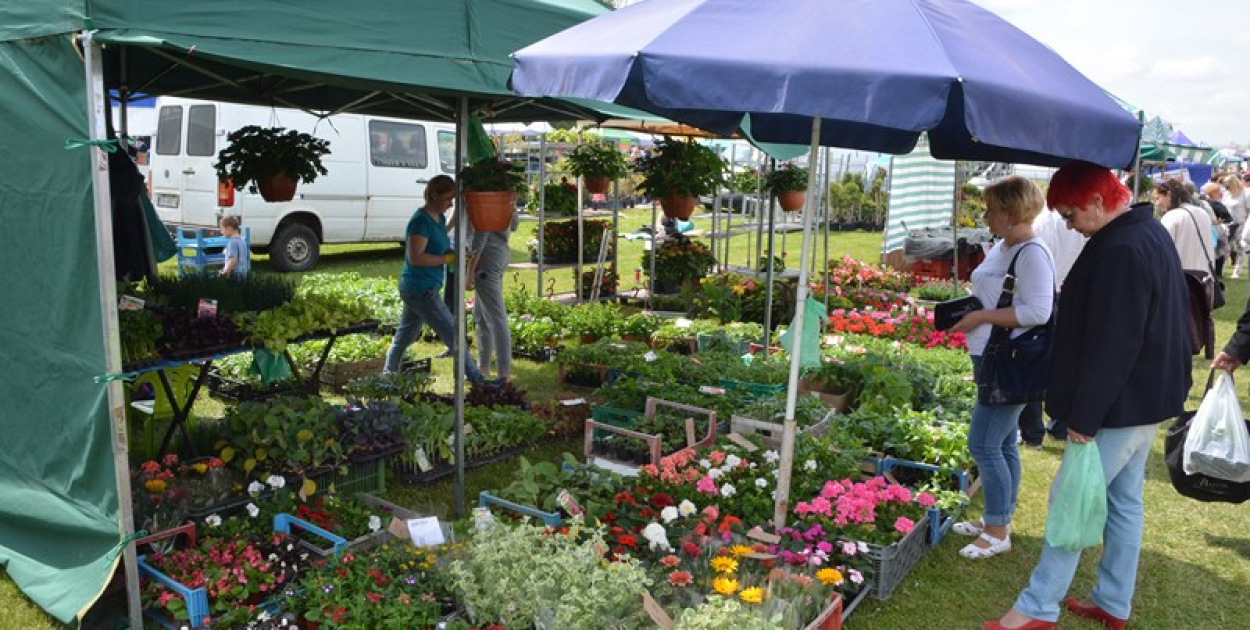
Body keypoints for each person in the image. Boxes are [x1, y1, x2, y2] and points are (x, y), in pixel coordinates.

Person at [983, 162, 1191, 630]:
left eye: (1072, 215)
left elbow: (1115, 344)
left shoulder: (1122, 247)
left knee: (1070, 500)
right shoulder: (1145, 232)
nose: (1070, 225)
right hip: (1143, 402)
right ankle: (1113, 601)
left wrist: (1086, 416)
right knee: (1123, 503)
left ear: (1098, 202)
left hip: (1118, 406)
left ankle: (1037, 608)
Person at [949, 176, 1055, 560]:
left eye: (992, 208)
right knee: (1005, 442)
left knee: (983, 443)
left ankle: (996, 530)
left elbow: (1038, 312)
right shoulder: (1006, 246)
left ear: (1010, 212)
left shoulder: (1031, 253)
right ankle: (1000, 518)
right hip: (992, 355)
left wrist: (981, 317)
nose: (986, 214)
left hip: (1010, 361)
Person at [383, 175, 495, 384]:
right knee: (454, 335)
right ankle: (477, 380)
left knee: (405, 336)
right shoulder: (420, 221)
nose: (451, 203)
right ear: (434, 195)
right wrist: (449, 258)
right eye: (448, 199)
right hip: (420, 289)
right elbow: (416, 257)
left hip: (420, 288)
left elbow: (439, 244)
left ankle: (388, 376)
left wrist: (458, 255)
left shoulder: (440, 219)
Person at [1019, 205, 1088, 445]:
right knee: (1067, 361)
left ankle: (1034, 432)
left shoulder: (1044, 224)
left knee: (1035, 362)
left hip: (1050, 293)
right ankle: (1058, 425)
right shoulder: (1083, 219)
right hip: (1069, 291)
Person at [468, 211, 519, 381]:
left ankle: (504, 373)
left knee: (496, 318)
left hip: (486, 260)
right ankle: (483, 368)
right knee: (481, 316)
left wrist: (469, 272)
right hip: (500, 253)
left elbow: (480, 238)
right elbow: (515, 224)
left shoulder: (485, 201)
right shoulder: (507, 198)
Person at [1157, 179, 1216, 275]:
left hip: (1180, 278)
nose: (1157, 203)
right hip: (1204, 278)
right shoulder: (1202, 213)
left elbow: (1163, 252)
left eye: (1158, 198)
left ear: (1169, 195)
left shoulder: (1171, 216)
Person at [1225, 174, 1250, 276]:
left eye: (1228, 186)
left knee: (1240, 248)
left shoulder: (1246, 194)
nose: (1226, 188)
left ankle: (1237, 270)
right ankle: (1220, 270)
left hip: (1241, 224)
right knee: (1226, 247)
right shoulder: (1227, 195)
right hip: (1229, 224)